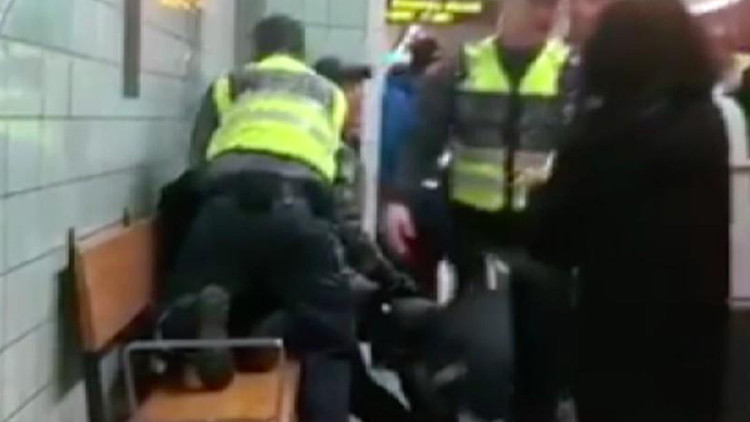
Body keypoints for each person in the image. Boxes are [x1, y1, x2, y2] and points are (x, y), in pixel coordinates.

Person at [527, 1, 730, 420]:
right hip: (696, 338)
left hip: (616, 338)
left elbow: (550, 241)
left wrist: (539, 195)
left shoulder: (601, 134)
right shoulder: (710, 121)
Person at [158, 16, 354, 422]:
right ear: (302, 53)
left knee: (185, 303)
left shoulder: (228, 85)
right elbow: (333, 177)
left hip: (225, 208)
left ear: (256, 51)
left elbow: (198, 165)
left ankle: (199, 315)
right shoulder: (331, 96)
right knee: (328, 339)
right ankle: (264, 336)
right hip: (298, 212)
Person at [386, 0, 570, 294]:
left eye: (554, 5)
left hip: (544, 229)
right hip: (473, 228)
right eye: (537, 4)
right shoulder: (462, 67)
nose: (546, 14)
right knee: (477, 310)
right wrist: (399, 200)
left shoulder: (570, 72)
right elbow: (422, 140)